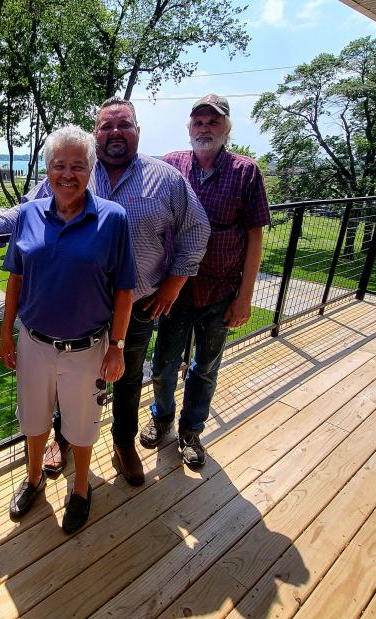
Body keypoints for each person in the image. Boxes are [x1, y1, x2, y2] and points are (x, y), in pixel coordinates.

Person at [0, 98, 209, 486]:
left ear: (138, 131)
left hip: (136, 304)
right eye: (106, 126)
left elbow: (197, 230)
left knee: (126, 377)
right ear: (95, 134)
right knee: (65, 379)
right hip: (75, 306)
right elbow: (26, 212)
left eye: (124, 125)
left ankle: (123, 444)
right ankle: (63, 442)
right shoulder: (77, 168)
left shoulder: (165, 178)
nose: (115, 133)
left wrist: (173, 285)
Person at [0, 125, 136, 534]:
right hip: (34, 343)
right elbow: (15, 280)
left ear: (91, 169)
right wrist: (6, 334)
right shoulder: (27, 214)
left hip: (88, 348)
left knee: (82, 424)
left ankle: (80, 490)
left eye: (78, 165)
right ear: (48, 170)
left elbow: (125, 290)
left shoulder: (113, 219)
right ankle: (34, 478)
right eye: (59, 165)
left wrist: (117, 346)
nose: (68, 174)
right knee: (35, 420)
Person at [140, 94, 269, 467]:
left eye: (213, 122)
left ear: (227, 128)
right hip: (175, 289)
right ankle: (161, 418)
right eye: (198, 121)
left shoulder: (246, 172)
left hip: (219, 291)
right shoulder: (172, 165)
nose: (205, 128)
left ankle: (191, 430)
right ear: (189, 127)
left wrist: (244, 297)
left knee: (205, 367)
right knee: (164, 363)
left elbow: (255, 237)